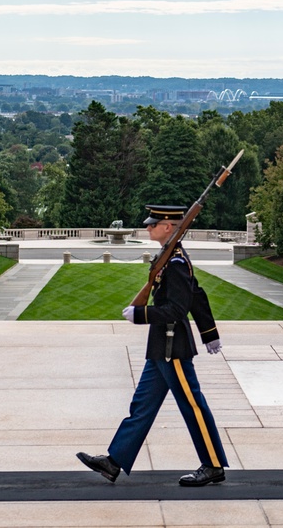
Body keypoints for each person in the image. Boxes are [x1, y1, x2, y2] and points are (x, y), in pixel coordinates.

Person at [76, 204, 229, 487]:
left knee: (192, 405)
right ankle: (114, 462)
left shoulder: (177, 263)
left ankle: (213, 464)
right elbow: (197, 295)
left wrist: (142, 315)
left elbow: (179, 308)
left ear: (169, 227)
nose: (148, 227)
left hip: (174, 347)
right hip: (161, 347)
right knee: (142, 406)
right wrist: (209, 332)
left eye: (153, 224)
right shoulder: (169, 258)